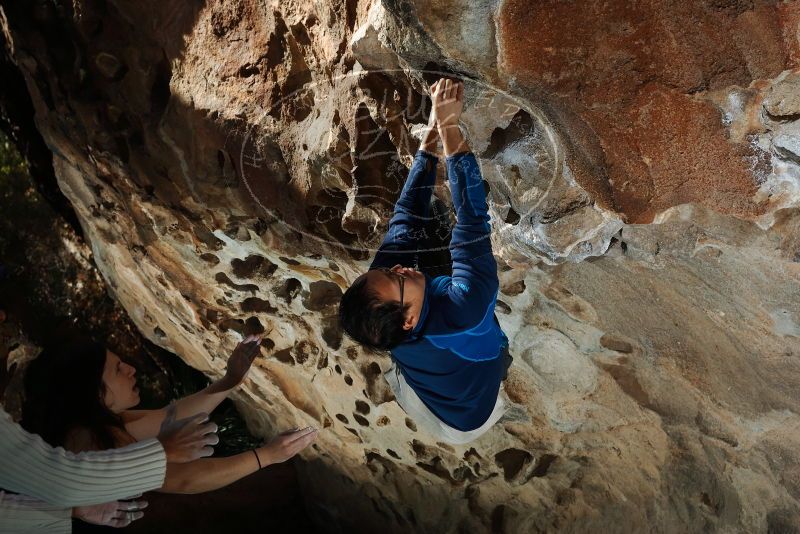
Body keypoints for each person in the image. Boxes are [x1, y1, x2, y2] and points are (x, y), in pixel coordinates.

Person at [339, 78, 511, 444]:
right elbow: (472, 218)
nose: (397, 268)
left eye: (385, 270)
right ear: (410, 319)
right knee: (489, 358)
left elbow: (408, 212)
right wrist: (451, 126)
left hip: (423, 387)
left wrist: (432, 132)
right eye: (396, 278)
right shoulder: (463, 310)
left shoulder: (388, 301)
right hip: (472, 414)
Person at [21, 335, 318, 498]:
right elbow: (183, 480)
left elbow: (168, 418)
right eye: (117, 369)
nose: (130, 370)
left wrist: (229, 380)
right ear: (94, 392)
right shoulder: (86, 442)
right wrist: (266, 456)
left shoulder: (101, 420)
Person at [0, 393, 218, 532]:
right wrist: (163, 451)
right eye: (117, 368)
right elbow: (62, 482)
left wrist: (71, 511)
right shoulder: (93, 434)